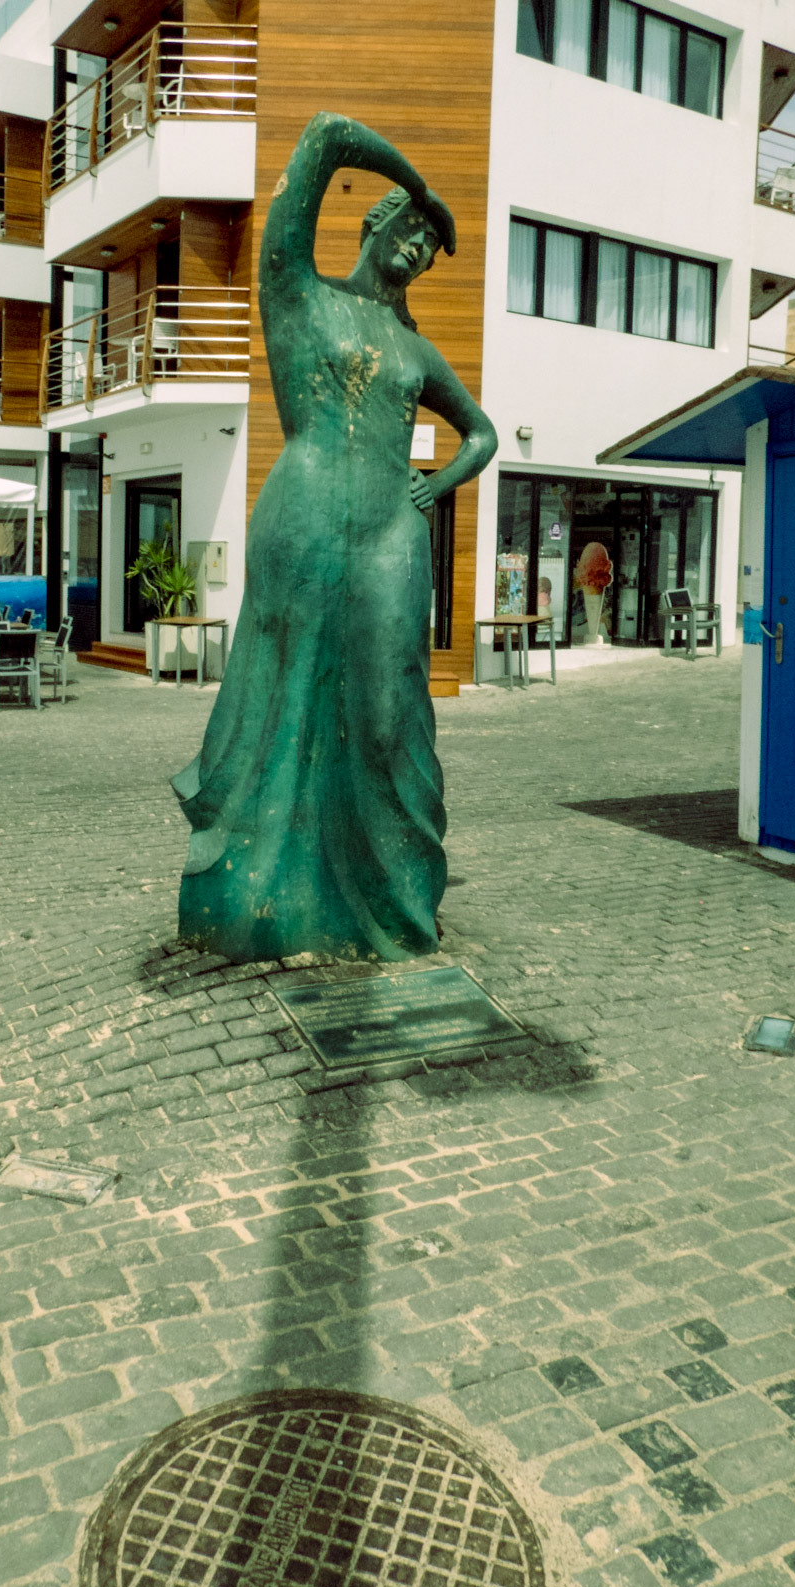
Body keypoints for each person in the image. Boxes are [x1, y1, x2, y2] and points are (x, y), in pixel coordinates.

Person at [172, 112, 498, 961]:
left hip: (390, 531)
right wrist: (420, 186)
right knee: (284, 703)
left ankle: (391, 904)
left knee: (388, 714)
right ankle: (262, 897)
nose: (417, 250)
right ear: (374, 225)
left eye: (428, 247)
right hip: (304, 519)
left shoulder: (413, 348)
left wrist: (436, 487)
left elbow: (481, 433)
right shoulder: (298, 293)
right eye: (409, 232)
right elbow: (323, 137)